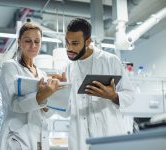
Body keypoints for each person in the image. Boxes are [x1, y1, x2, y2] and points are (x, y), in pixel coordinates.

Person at [56, 18, 135, 150]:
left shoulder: (110, 61)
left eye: (75, 43)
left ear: (88, 41)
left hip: (108, 136)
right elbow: (66, 112)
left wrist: (113, 96)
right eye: (67, 42)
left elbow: (130, 95)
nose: (69, 48)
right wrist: (59, 94)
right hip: (80, 140)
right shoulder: (67, 70)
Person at [0, 22, 61, 150]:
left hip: (39, 139)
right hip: (18, 138)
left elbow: (45, 114)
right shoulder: (10, 67)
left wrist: (54, 96)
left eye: (37, 41)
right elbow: (15, 105)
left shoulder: (42, 74)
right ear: (19, 41)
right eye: (28, 41)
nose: (33, 45)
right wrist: (41, 95)